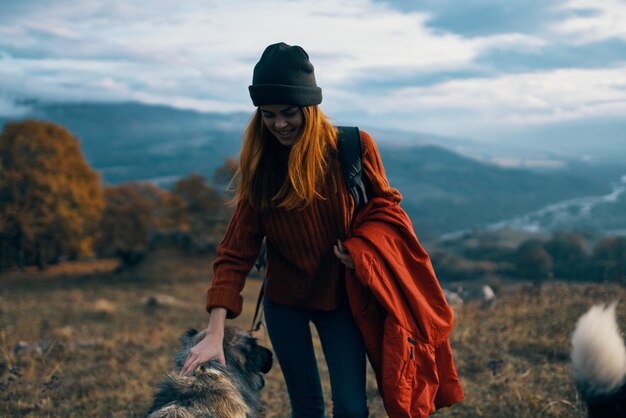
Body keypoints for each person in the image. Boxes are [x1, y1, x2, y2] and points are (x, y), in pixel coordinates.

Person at [181, 42, 463, 418]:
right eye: (267, 115)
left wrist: (363, 245)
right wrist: (214, 332)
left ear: (310, 108)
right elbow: (235, 252)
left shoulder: (353, 147)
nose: (279, 124)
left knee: (350, 407)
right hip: (284, 303)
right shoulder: (261, 166)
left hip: (341, 300)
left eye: (288, 113)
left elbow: (386, 208)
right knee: (307, 407)